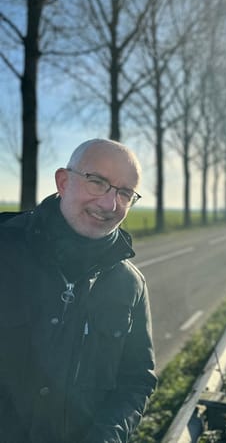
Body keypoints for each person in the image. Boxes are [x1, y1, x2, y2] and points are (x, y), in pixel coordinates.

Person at [0, 139, 157, 443]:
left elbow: (135, 382)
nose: (109, 205)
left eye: (125, 193)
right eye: (97, 182)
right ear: (63, 181)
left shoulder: (131, 285)